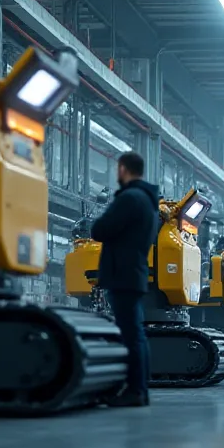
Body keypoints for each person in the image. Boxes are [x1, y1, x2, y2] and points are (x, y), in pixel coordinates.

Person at [90, 151, 159, 408]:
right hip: (134, 272)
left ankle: (135, 391)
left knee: (131, 334)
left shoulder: (130, 198)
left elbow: (100, 229)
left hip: (123, 273)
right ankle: (139, 388)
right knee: (136, 334)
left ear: (122, 169)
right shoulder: (148, 201)